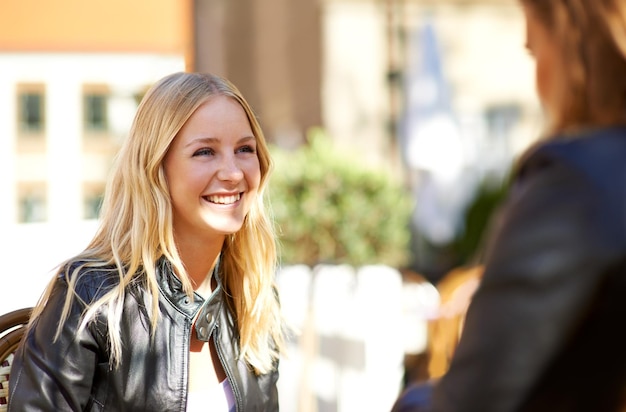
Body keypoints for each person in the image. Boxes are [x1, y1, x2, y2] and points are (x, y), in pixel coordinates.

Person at [393, 0, 626, 411]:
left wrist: (410, 401)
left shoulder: (576, 181)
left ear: (575, 44)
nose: (538, 81)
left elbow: (469, 403)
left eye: (535, 52)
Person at [8, 72, 285, 411]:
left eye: (245, 149)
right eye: (204, 152)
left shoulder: (253, 299)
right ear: (156, 169)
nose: (232, 172)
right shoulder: (90, 297)